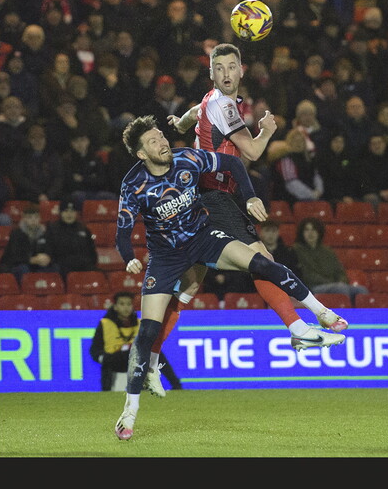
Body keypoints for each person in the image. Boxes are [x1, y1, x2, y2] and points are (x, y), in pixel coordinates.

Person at [113, 115, 346, 440]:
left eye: (161, 137)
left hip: (203, 237)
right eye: (153, 141)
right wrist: (130, 259)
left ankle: (321, 313)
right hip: (166, 257)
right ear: (141, 154)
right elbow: (123, 235)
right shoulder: (133, 184)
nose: (163, 142)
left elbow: (233, 165)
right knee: (146, 331)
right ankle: (129, 412)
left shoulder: (187, 157)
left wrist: (250, 195)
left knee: (263, 263)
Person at [164, 43, 348, 364]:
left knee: (190, 285)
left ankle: (147, 354)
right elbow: (250, 152)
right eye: (218, 68)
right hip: (213, 199)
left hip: (206, 198)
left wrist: (181, 123)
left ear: (241, 70)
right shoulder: (225, 106)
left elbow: (197, 112)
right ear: (211, 73)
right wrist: (266, 132)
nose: (225, 74)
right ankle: (304, 324)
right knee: (261, 260)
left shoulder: (212, 101)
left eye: (231, 67)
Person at [90, 292, 182, 392]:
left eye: (129, 304)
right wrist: (104, 358)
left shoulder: (140, 324)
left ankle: (175, 384)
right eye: (122, 304)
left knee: (154, 352)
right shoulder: (105, 323)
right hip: (114, 362)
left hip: (136, 365)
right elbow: (95, 349)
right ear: (115, 306)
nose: (126, 308)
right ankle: (175, 384)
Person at [292, 216, 369, 306]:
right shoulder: (296, 250)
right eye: (307, 230)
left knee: (362, 290)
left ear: (319, 232)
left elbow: (340, 271)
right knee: (341, 289)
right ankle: (345, 315)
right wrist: (333, 283)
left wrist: (341, 281)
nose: (310, 233)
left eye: (313, 230)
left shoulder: (328, 251)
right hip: (312, 287)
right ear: (302, 233)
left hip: (334, 284)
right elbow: (306, 275)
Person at [0, 203, 59, 285]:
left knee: (54, 268)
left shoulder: (45, 233)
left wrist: (48, 258)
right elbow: (14, 257)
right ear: (24, 218)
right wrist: (32, 260)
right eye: (30, 217)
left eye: (36, 217)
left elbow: (51, 251)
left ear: (40, 218)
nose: (33, 220)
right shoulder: (16, 233)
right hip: (16, 266)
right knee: (23, 269)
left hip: (36, 266)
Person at [47, 199, 99, 279]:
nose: (69, 214)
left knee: (99, 276)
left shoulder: (83, 229)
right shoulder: (52, 229)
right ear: (60, 213)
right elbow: (50, 251)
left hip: (84, 265)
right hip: (62, 267)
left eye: (72, 211)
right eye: (66, 211)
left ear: (76, 213)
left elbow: (92, 251)